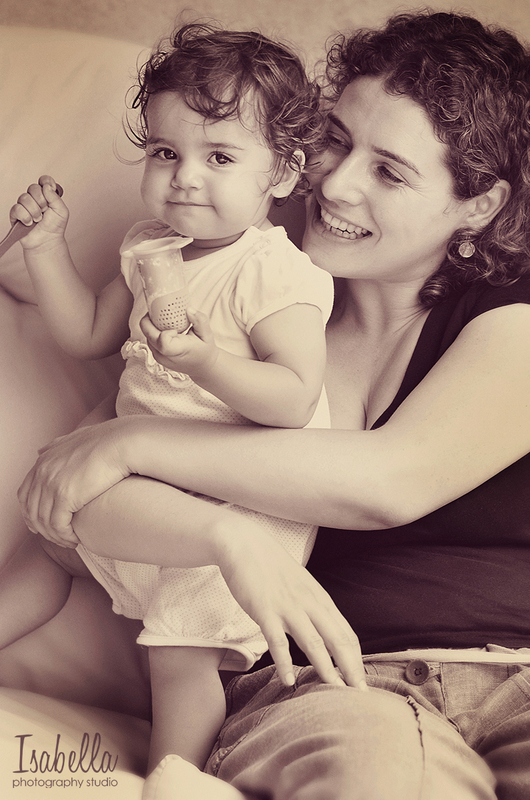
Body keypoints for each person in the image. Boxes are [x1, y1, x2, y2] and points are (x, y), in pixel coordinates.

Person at [15, 8, 530, 799]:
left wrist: (130, 444)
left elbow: (390, 481)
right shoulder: (245, 289)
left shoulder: (511, 318)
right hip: (341, 685)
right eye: (335, 142)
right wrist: (205, 519)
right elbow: (73, 489)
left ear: (479, 205)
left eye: (390, 172)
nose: (336, 182)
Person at [1, 23, 354, 798]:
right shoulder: (148, 247)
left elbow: (293, 398)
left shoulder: (275, 274)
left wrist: (205, 362)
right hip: (139, 493)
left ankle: (178, 779)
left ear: (283, 173)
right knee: (46, 540)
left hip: (232, 503)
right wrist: (47, 248)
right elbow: (88, 333)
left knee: (180, 655)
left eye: (219, 157)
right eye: (166, 152)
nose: (185, 178)